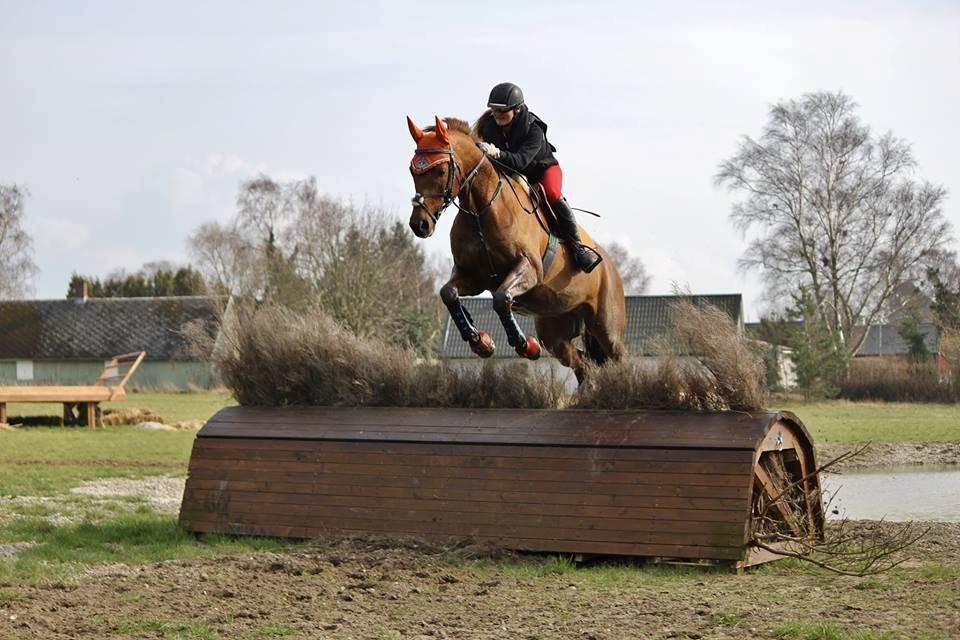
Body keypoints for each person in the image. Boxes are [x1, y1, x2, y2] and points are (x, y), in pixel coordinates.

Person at [476, 82, 602, 273]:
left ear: (517, 109)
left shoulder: (533, 128)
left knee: (552, 193)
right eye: (494, 111)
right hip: (511, 174)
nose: (498, 115)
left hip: (542, 171)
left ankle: (578, 247)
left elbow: (520, 162)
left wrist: (498, 154)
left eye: (503, 111)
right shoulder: (489, 127)